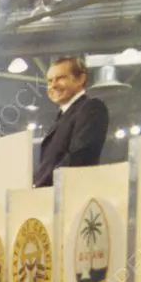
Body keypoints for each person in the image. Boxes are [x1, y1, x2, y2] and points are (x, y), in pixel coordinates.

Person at [33, 55, 110, 188]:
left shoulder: (91, 108)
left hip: (70, 195)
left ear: (81, 79)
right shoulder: (63, 115)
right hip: (53, 195)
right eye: (50, 81)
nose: (53, 85)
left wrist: (40, 184)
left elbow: (79, 156)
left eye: (61, 78)